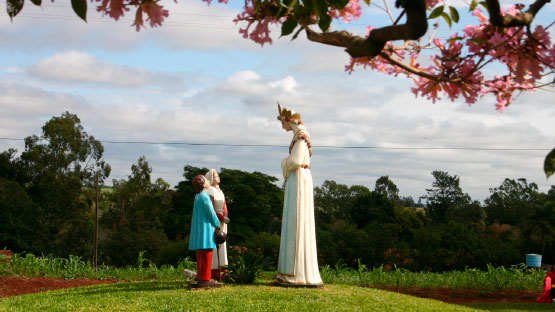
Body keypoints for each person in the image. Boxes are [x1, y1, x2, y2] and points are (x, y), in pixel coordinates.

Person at [274, 103, 323, 287]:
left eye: (282, 122)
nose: (282, 127)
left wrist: (283, 162)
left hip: (299, 177)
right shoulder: (298, 135)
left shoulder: (302, 136)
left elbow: (295, 161)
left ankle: (297, 273)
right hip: (297, 179)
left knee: (297, 222)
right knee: (293, 222)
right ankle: (288, 272)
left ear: (288, 120)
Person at [189, 175, 222, 287]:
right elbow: (210, 212)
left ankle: (202, 276)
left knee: (201, 255)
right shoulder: (204, 196)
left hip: (199, 230)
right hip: (205, 230)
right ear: (202, 184)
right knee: (206, 254)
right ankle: (205, 279)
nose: (209, 181)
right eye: (207, 180)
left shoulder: (197, 196)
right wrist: (217, 223)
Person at [205, 169, 230, 279]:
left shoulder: (220, 190)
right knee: (215, 243)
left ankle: (223, 268)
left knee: (222, 244)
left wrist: (225, 216)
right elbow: (211, 208)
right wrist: (221, 217)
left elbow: (224, 205)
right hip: (215, 220)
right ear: (211, 178)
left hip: (223, 220)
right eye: (216, 176)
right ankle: (214, 270)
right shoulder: (210, 191)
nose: (218, 177)